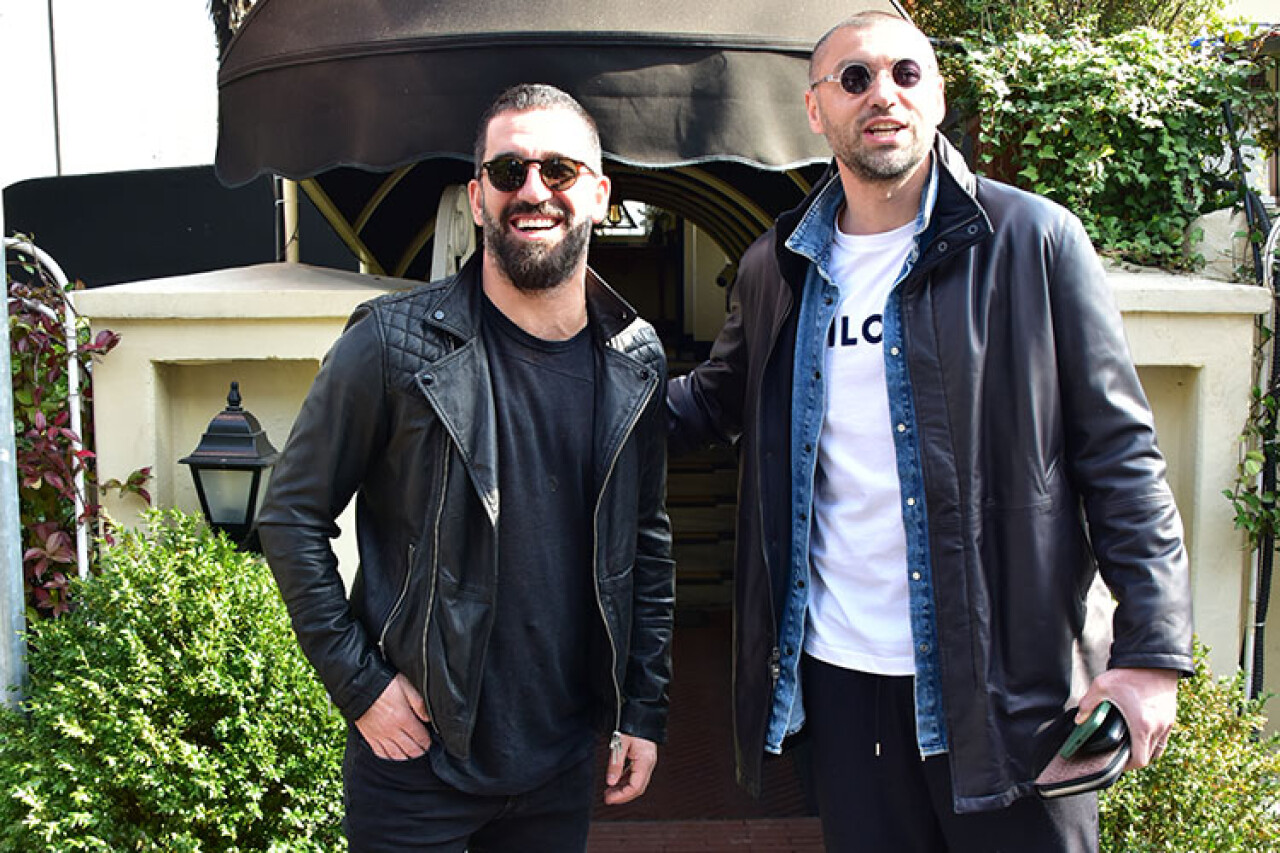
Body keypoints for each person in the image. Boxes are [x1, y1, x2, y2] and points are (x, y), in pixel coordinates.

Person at [666, 12, 1192, 852]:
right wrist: (579, 391)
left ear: (938, 96)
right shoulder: (779, 266)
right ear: (815, 109)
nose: (884, 94)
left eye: (906, 74)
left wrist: (1152, 652)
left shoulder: (1033, 240)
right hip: (843, 683)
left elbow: (1121, 455)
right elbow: (710, 402)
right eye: (855, 78)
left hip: (1010, 687)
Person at [258, 83, 674, 853]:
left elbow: (644, 542)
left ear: (600, 193)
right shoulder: (391, 345)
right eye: (509, 171)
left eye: (559, 169)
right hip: (416, 764)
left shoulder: (635, 356)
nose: (534, 190)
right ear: (478, 197)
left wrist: (642, 709)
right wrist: (361, 686)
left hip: (558, 763)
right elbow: (290, 515)